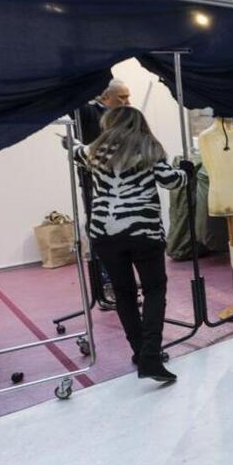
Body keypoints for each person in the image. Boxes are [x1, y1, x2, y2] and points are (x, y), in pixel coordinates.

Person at [71, 106, 193, 383]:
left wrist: (70, 142)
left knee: (124, 294)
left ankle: (140, 352)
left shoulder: (95, 150)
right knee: (154, 290)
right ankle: (150, 355)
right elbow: (171, 181)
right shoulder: (149, 148)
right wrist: (185, 171)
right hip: (143, 231)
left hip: (104, 233)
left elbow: (76, 152)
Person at [74, 80, 131, 309]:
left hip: (121, 182)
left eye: (128, 97)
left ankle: (120, 281)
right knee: (102, 231)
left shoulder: (126, 119)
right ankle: (108, 284)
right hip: (95, 183)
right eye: (122, 98)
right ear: (104, 98)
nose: (128, 102)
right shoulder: (88, 113)